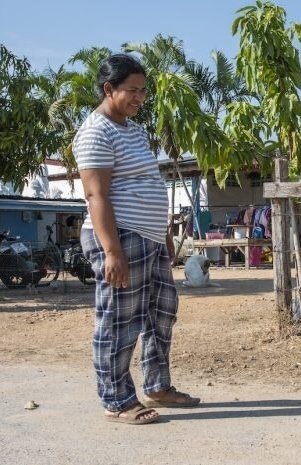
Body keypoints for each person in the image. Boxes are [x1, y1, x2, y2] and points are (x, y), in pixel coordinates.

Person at [74, 53, 199, 425]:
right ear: (108, 89)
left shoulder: (134, 130)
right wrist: (112, 251)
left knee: (162, 312)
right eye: (132, 90)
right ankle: (117, 400)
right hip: (119, 237)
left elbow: (147, 184)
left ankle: (157, 385)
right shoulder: (96, 131)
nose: (140, 97)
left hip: (147, 238)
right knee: (119, 320)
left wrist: (162, 235)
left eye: (144, 91)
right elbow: (96, 195)